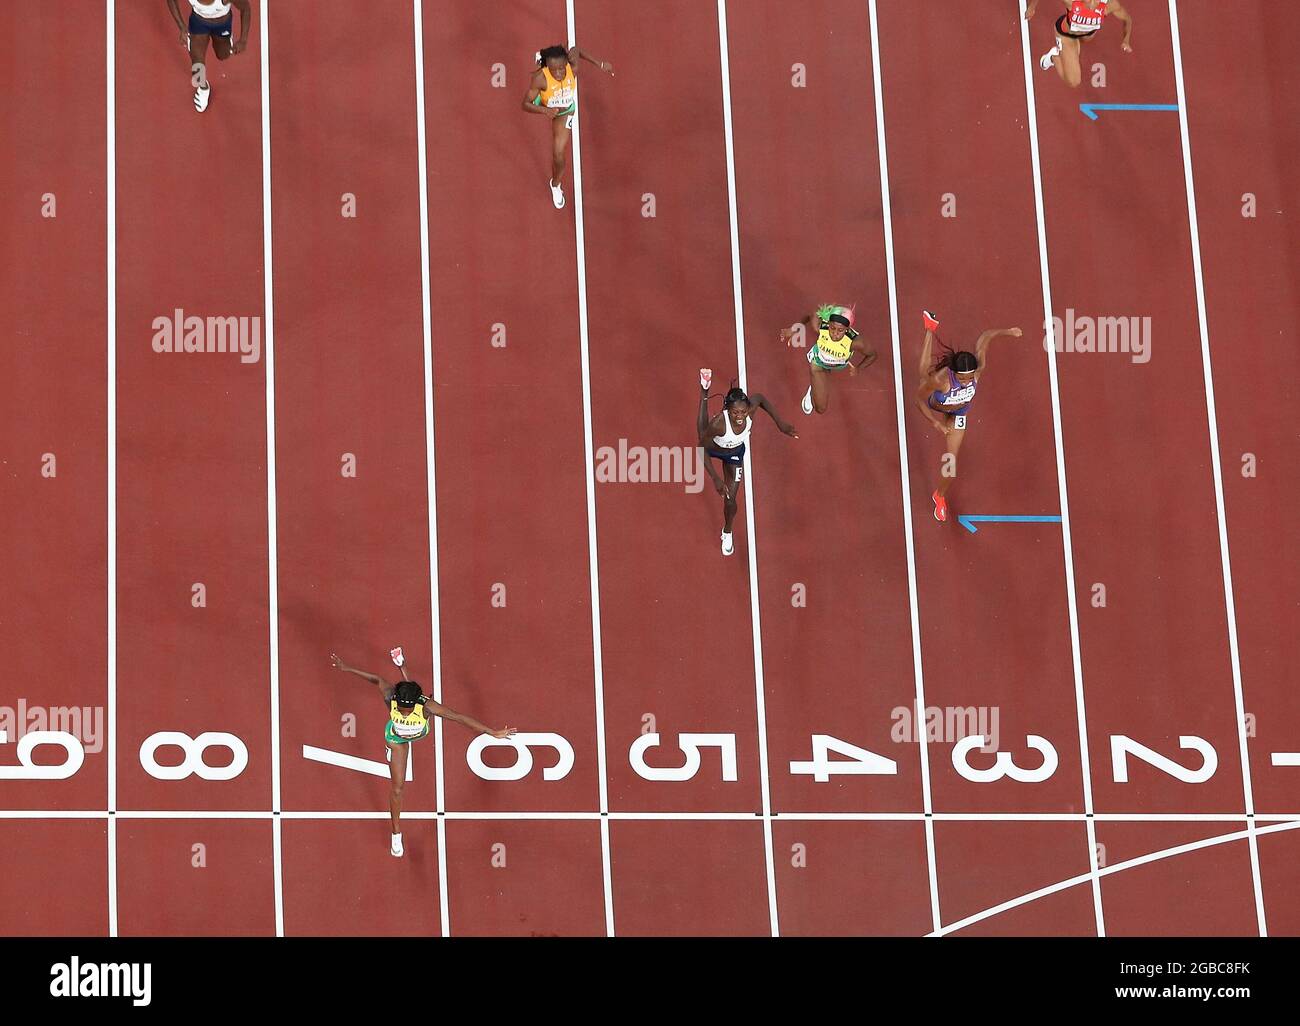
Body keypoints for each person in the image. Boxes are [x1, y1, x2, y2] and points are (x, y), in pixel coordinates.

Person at [330, 651, 515, 857]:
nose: (403, 712)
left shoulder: (426, 706)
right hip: (397, 740)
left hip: (421, 726)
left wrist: (492, 732)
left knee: (429, 702)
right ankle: (396, 834)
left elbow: (458, 717)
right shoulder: (391, 697)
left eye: (406, 710)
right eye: (401, 708)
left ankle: (402, 665)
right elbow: (377, 679)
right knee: (398, 788)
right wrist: (347, 668)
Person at [912, 311, 1022, 523]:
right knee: (924, 376)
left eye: (969, 377)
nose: (966, 381)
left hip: (958, 414)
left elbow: (984, 338)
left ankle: (939, 496)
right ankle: (929, 329)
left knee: (951, 467)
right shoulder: (941, 380)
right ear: (954, 373)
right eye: (962, 378)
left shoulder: (977, 371)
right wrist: (935, 423)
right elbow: (918, 401)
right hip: (938, 405)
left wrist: (1007, 332)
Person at [697, 368, 797, 556]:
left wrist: (780, 423)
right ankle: (704, 391)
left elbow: (760, 398)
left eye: (742, 412)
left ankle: (727, 531)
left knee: (731, 500)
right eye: (735, 412)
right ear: (728, 410)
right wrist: (715, 478)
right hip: (713, 448)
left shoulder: (749, 411)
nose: (740, 416)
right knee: (702, 433)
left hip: (734, 455)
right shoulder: (719, 423)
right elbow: (700, 449)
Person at [521, 43, 614, 209]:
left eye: (561, 69)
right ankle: (541, 60)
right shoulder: (540, 79)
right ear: (547, 68)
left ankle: (555, 184)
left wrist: (600, 64)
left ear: (566, 64)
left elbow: (576, 50)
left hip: (564, 113)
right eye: (553, 69)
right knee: (539, 96)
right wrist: (544, 110)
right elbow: (525, 104)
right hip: (543, 101)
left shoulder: (573, 68)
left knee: (558, 154)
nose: (558, 73)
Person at [780, 304, 877, 416]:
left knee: (827, 374)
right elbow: (811, 314)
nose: (835, 333)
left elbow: (872, 355)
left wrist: (859, 368)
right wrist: (794, 330)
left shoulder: (855, 342)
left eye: (840, 330)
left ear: (847, 329)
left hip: (838, 365)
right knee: (820, 409)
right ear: (828, 324)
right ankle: (813, 389)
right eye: (832, 328)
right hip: (818, 363)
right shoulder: (820, 327)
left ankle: (818, 383)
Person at [166, 0, 252, 112]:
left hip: (222, 25)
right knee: (197, 65)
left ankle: (226, 41)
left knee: (223, 55)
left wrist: (243, 40)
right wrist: (182, 27)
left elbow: (245, 9)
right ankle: (203, 88)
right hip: (198, 24)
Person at [1027, 0, 1133, 89]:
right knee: (1073, 82)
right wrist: (1032, 8)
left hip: (1088, 34)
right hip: (1067, 35)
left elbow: (1127, 19)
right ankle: (1053, 57)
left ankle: (1073, 49)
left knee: (1086, 39)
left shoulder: (1109, 5)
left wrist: (1126, 40)